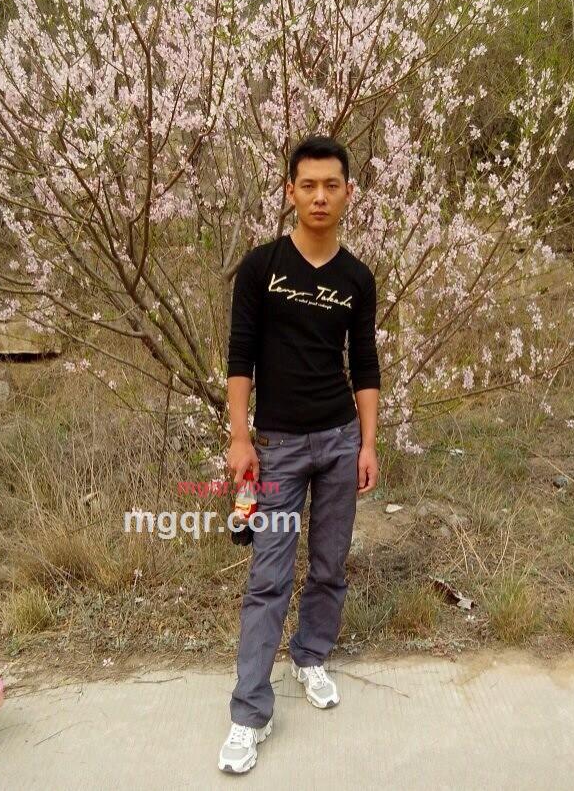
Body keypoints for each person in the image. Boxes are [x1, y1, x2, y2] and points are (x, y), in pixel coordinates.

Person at [218, 135, 381, 774]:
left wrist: (368, 443)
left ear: (347, 193)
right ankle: (248, 713)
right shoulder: (262, 267)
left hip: (339, 441)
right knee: (268, 577)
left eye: (331, 185)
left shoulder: (357, 278)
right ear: (290, 191)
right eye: (307, 185)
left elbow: (364, 364)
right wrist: (240, 437)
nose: (319, 196)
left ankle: (310, 655)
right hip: (278, 449)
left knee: (330, 563)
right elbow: (240, 356)